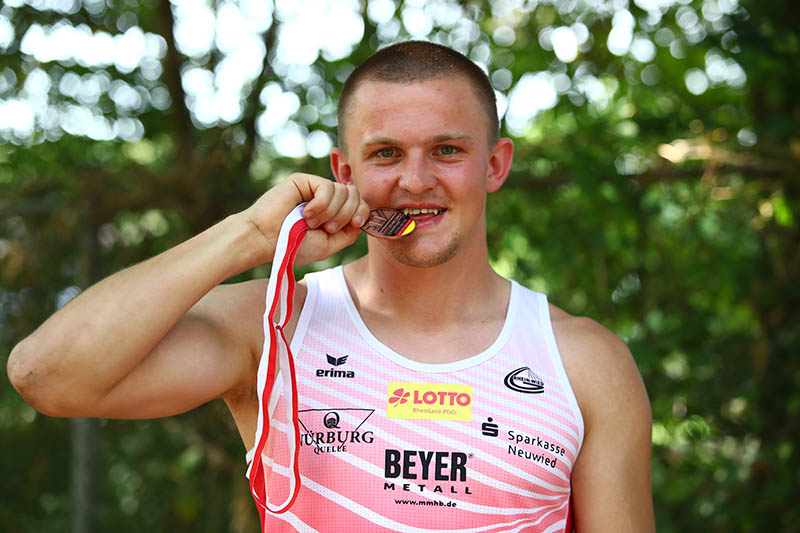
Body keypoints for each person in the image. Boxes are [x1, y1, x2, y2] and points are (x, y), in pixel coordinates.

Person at [7, 41, 654, 532]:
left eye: (448, 151)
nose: (416, 179)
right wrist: (251, 236)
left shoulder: (584, 359)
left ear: (495, 164)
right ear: (343, 170)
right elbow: (47, 373)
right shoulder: (277, 323)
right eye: (386, 154)